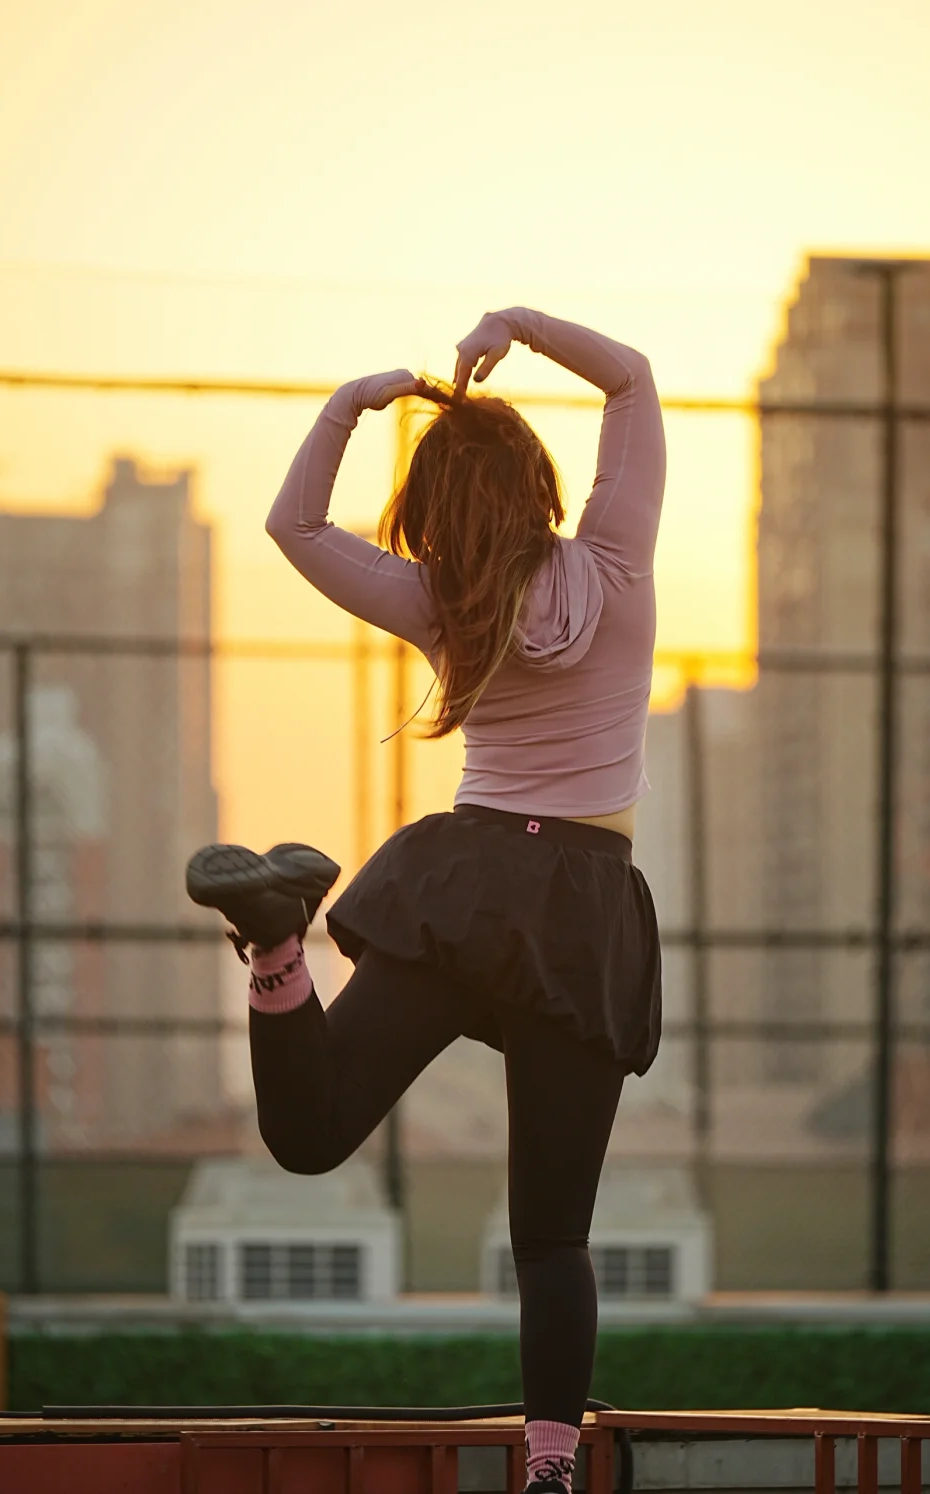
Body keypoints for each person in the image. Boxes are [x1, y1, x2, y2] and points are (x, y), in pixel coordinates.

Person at [185, 308, 666, 1494]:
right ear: (539, 483)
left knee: (309, 1133)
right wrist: (521, 328)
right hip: (582, 908)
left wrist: (355, 406)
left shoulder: (442, 599)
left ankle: (275, 946)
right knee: (552, 1233)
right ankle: (550, 1467)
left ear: (436, 505)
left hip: (467, 882)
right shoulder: (615, 561)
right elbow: (635, 382)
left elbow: (293, 525)